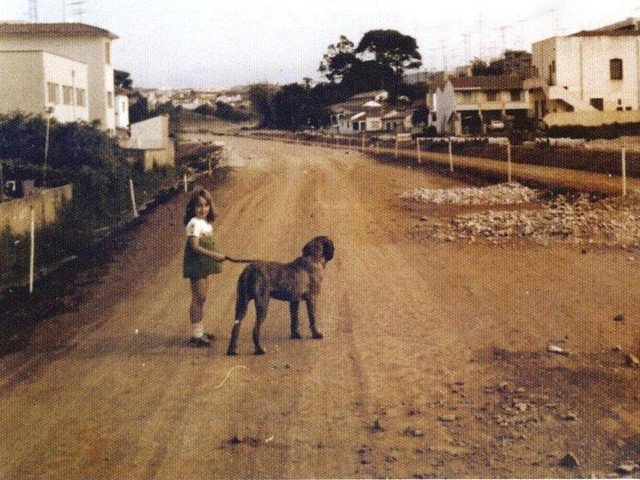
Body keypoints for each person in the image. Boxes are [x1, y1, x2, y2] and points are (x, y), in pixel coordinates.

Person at [183, 187, 226, 347]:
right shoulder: (194, 223)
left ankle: (200, 331)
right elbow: (194, 247)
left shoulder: (205, 223)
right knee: (198, 298)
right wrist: (214, 256)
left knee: (202, 297)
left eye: (206, 205)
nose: (203, 209)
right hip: (196, 263)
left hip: (203, 264)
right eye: (199, 206)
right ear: (193, 207)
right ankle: (196, 335)